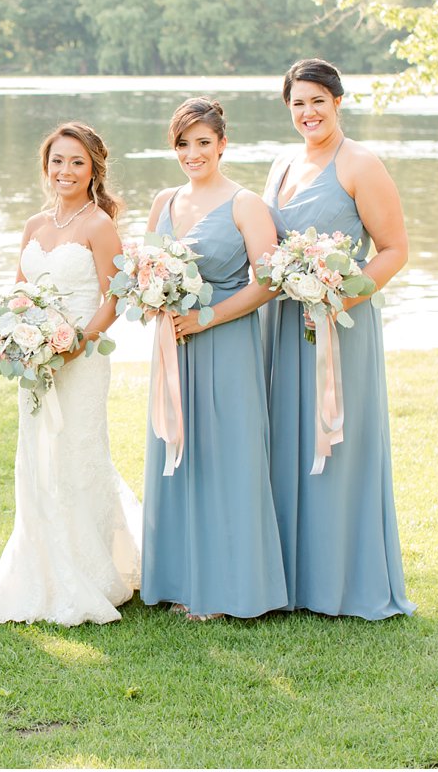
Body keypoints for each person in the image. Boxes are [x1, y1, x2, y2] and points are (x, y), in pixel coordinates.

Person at [0, 122, 141, 626]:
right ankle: (38, 565)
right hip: (35, 361)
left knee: (77, 454)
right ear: (46, 166)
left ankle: (91, 567)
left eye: (77, 162)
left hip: (81, 361)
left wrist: (75, 343)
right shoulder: (34, 226)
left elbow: (117, 294)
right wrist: (17, 335)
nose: (66, 171)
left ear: (93, 170)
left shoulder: (98, 225)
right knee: (36, 457)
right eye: (58, 160)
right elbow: (20, 289)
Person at [262, 59, 415, 619]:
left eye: (317, 101)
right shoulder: (282, 162)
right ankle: (292, 579)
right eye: (298, 103)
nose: (308, 113)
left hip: (338, 327)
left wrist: (336, 297)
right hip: (284, 324)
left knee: (337, 444)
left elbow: (394, 250)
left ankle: (341, 583)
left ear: (337, 102)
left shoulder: (361, 165)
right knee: (288, 440)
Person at [140, 97, 288, 621]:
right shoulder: (164, 201)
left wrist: (208, 317)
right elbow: (145, 268)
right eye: (183, 143)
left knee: (227, 455)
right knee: (176, 451)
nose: (193, 153)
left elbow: (269, 282)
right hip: (172, 346)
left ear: (223, 144)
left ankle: (232, 585)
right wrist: (153, 297)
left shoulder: (246, 203)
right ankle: (179, 578)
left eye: (203, 142)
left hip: (224, 342)